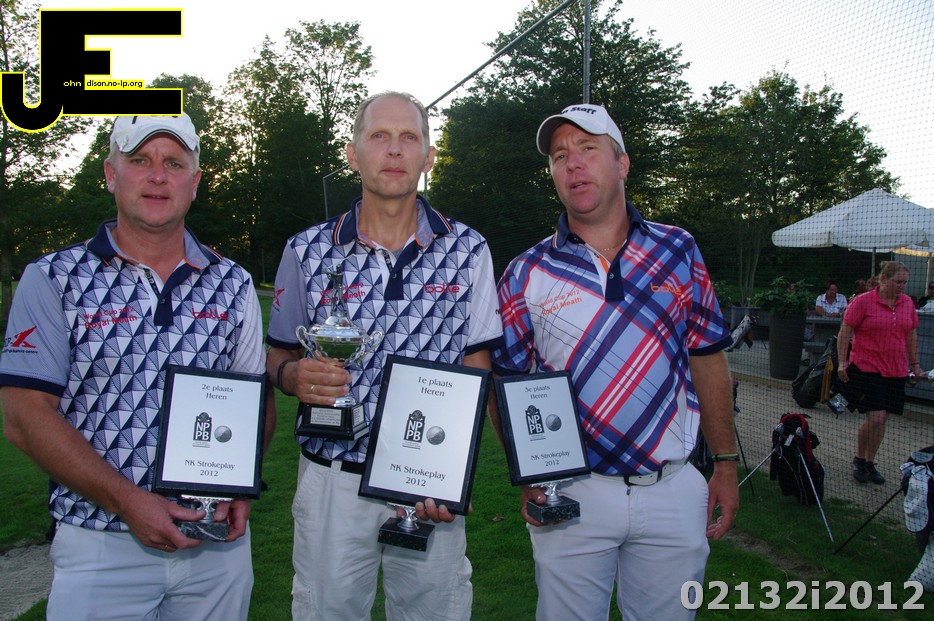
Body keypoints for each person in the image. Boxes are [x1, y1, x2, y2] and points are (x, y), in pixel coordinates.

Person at [0, 114, 275, 620]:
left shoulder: (232, 282)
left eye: (174, 163)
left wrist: (240, 483)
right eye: (140, 160)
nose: (157, 176)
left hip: (215, 543)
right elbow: (23, 415)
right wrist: (128, 501)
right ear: (111, 174)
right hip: (100, 542)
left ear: (195, 182)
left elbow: (255, 400)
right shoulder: (53, 278)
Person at [492, 103, 739, 620]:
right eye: (559, 156)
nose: (572, 164)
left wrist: (724, 462)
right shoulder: (525, 271)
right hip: (570, 494)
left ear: (622, 163)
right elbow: (506, 381)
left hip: (672, 488)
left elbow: (707, 358)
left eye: (587, 148)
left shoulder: (678, 250)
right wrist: (528, 474)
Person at [265, 91, 502, 621]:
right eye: (379, 136)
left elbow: (477, 365)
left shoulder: (469, 249)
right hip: (332, 475)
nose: (394, 150)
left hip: (427, 478)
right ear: (353, 154)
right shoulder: (306, 249)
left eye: (408, 137)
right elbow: (277, 352)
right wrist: (293, 375)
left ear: (428, 157)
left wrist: (453, 467)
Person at [837, 261, 919, 485]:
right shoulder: (863, 301)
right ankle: (858, 459)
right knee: (876, 417)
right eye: (898, 281)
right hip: (867, 367)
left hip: (896, 370)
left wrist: (915, 364)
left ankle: (870, 462)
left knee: (883, 419)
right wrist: (842, 362)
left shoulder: (907, 303)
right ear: (883, 279)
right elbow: (845, 331)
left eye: (905, 282)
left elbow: (911, 334)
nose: (902, 286)